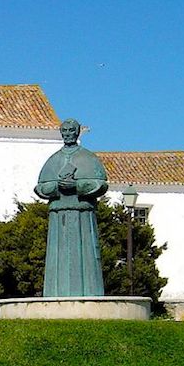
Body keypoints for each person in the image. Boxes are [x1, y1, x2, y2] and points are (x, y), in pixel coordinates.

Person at [34, 119, 109, 296]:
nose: (68, 133)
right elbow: (40, 187)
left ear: (78, 133)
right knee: (58, 257)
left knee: (86, 259)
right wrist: (58, 187)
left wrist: (77, 186)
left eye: (71, 130)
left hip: (83, 213)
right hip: (58, 216)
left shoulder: (88, 158)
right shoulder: (54, 160)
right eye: (65, 130)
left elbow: (101, 184)